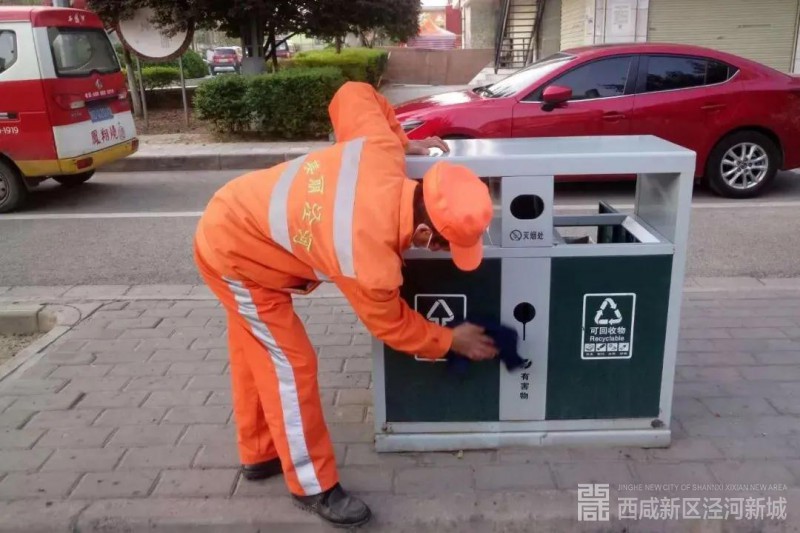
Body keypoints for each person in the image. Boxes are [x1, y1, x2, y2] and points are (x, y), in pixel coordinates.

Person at [193, 81, 498, 528]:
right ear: (424, 233)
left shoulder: (380, 150)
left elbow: (353, 92)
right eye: (443, 246)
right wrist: (451, 339)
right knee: (291, 365)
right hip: (236, 256)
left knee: (255, 349)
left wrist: (402, 139)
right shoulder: (369, 259)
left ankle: (259, 452)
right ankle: (312, 485)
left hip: (237, 210)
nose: (438, 253)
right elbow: (393, 326)